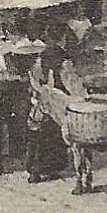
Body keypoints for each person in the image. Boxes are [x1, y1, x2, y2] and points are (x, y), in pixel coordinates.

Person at [25, 31, 71, 183]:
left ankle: (33, 170)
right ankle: (45, 169)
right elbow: (68, 81)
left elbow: (35, 80)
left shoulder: (40, 57)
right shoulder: (62, 57)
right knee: (54, 138)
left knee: (38, 137)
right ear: (63, 37)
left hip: (41, 102)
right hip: (55, 104)